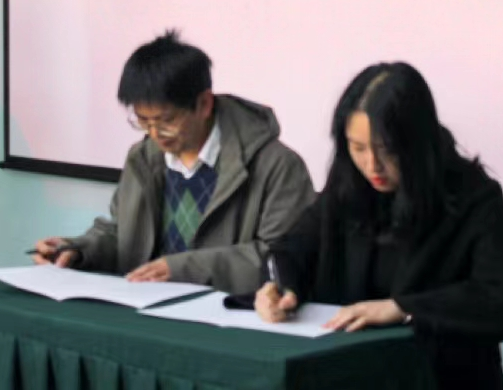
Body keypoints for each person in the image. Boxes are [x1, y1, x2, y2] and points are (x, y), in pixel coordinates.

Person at [256, 62, 503, 390]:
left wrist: (402, 309)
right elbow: (293, 247)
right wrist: (282, 287)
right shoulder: (349, 183)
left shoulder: (474, 196)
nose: (372, 165)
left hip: (438, 377)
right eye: (358, 148)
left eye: (388, 150)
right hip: (349, 370)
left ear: (417, 143)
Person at [34, 30, 315, 294]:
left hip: (230, 313)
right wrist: (78, 250)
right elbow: (121, 233)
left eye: (166, 120)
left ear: (204, 104)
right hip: (146, 306)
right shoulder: (143, 158)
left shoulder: (276, 166)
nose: (155, 134)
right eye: (143, 121)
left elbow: (283, 259)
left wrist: (182, 269)